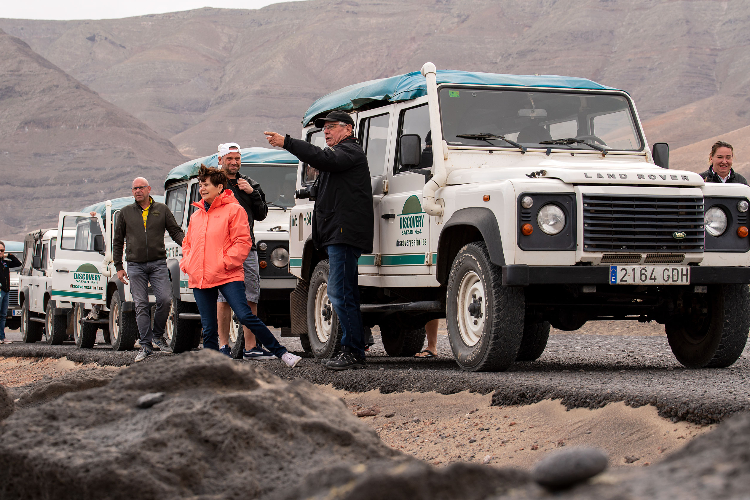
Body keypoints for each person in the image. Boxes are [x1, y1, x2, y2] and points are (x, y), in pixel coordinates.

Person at [265, 110, 374, 370]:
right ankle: (352, 346)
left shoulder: (349, 152)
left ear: (348, 129)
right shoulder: (340, 158)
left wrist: (287, 142)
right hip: (335, 235)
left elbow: (321, 158)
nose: (326, 131)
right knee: (342, 293)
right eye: (324, 127)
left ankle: (354, 351)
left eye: (332, 126)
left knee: (341, 293)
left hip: (344, 235)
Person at [180, 165, 301, 368]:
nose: (202, 188)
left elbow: (242, 242)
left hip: (228, 274)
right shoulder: (196, 216)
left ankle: (282, 353)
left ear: (220, 187)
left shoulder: (234, 210)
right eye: (201, 185)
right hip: (200, 277)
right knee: (209, 328)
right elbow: (188, 244)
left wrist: (226, 263)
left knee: (246, 316)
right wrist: (188, 264)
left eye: (206, 184)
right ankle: (213, 368)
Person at [113, 177, 185, 362]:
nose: (137, 191)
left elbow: (175, 231)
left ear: (148, 189)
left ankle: (158, 335)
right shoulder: (125, 213)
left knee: (165, 299)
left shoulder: (161, 210)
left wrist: (188, 245)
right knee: (141, 304)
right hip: (135, 265)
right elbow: (118, 241)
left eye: (141, 188)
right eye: (134, 188)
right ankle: (145, 346)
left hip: (158, 263)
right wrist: (119, 267)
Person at [213, 143, 273, 360]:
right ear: (220, 160)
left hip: (247, 248)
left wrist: (253, 193)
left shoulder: (249, 184)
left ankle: (251, 347)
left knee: (251, 296)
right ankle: (223, 347)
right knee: (224, 297)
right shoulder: (213, 184)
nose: (234, 162)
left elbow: (262, 214)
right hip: (222, 248)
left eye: (237, 158)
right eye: (229, 158)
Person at [0, 241, 22, 344]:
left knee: (3, 315)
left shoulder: (5, 262)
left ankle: (2, 337)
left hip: (6, 291)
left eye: (2, 250)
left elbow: (18, 263)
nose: (1, 252)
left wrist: (9, 255)